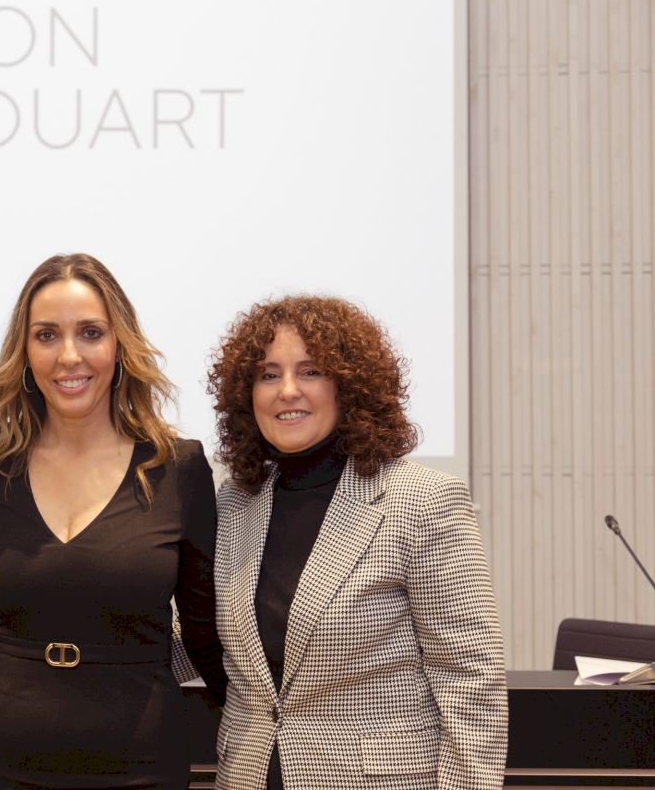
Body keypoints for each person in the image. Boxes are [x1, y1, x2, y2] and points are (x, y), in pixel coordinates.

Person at [207, 295, 507, 790]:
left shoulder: (423, 500)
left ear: (350, 385)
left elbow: (471, 679)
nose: (287, 390)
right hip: (248, 776)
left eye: (310, 372)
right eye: (268, 374)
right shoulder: (236, 502)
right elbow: (202, 639)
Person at [0, 253, 227, 789]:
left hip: (142, 767)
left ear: (119, 345)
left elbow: (206, 635)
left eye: (90, 333)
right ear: (24, 351)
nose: (69, 355)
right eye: (47, 335)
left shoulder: (178, 469)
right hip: (1, 764)